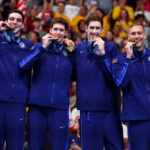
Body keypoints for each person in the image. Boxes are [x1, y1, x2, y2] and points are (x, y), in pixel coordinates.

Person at [19, 17, 75, 150]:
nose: (58, 32)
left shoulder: (70, 52)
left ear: (66, 33)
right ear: (50, 31)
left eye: (61, 30)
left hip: (59, 108)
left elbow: (79, 74)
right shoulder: (39, 47)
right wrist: (43, 47)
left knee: (59, 147)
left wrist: (73, 50)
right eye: (55, 29)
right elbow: (23, 65)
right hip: (37, 107)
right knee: (35, 146)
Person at [74, 14, 124, 150]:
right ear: (85, 29)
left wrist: (103, 54)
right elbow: (72, 75)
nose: (94, 31)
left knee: (116, 147)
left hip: (110, 109)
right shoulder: (78, 49)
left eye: (97, 28)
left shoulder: (111, 48)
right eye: (92, 27)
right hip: (88, 109)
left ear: (102, 29)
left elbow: (116, 78)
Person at [112, 22, 150, 150]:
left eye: (139, 33)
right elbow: (121, 83)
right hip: (137, 117)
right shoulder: (120, 59)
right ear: (128, 37)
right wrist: (128, 57)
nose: (136, 36)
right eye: (133, 33)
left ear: (144, 35)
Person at [0, 9, 34, 150]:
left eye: (18, 20)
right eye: (12, 19)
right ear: (7, 21)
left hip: (18, 103)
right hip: (0, 100)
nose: (15, 22)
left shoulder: (27, 45)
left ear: (22, 24)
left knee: (15, 146)